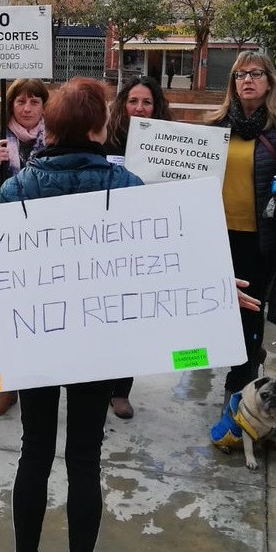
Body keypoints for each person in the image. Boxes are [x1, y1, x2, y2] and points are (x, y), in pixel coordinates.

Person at [0, 76, 144, 552]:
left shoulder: (20, 187)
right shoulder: (127, 185)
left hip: (35, 337)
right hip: (97, 340)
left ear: (53, 127)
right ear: (95, 127)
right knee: (84, 457)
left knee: (34, 451)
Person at [205, 51, 276, 408]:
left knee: (249, 310)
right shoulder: (214, 125)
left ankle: (239, 383)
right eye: (239, 75)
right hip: (214, 238)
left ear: (269, 81)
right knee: (216, 309)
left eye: (255, 73)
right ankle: (231, 362)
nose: (247, 80)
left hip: (258, 240)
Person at [0, 77, 49, 417]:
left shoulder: (57, 138)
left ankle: (36, 380)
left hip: (44, 239)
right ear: (11, 106)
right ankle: (4, 386)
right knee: (5, 314)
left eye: (35, 101)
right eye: (21, 102)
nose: (28, 108)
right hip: (6, 239)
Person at [100, 76, 173, 420]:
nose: (139, 108)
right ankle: (96, 384)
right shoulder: (103, 139)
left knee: (131, 316)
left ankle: (120, 391)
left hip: (146, 240)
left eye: (147, 102)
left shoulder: (170, 142)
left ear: (156, 107)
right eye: (133, 101)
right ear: (122, 104)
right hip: (105, 238)